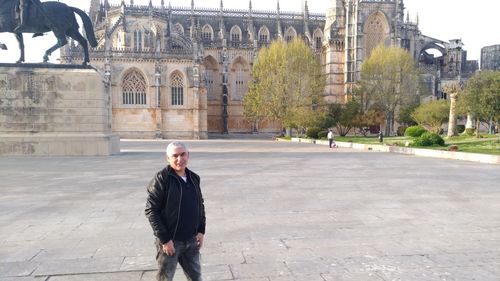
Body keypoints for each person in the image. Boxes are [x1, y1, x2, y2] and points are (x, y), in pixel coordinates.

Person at [145, 141, 206, 281]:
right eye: (175, 156)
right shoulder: (162, 179)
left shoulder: (194, 178)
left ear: (188, 155)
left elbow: (200, 205)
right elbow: (151, 210)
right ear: (168, 158)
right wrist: (165, 240)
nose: (180, 159)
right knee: (165, 278)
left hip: (191, 240)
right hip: (171, 242)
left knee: (196, 278)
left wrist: (201, 230)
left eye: (183, 154)